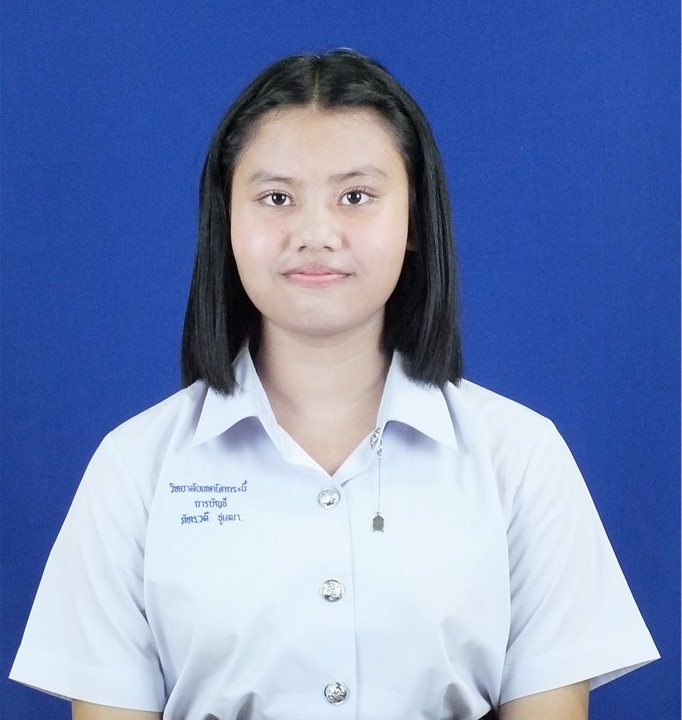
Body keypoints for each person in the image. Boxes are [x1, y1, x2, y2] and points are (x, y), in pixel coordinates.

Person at [10, 49, 658, 720]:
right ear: (225, 222)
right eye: (276, 198)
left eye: (356, 197)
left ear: (414, 223)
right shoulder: (134, 469)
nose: (316, 234)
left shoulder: (520, 458)